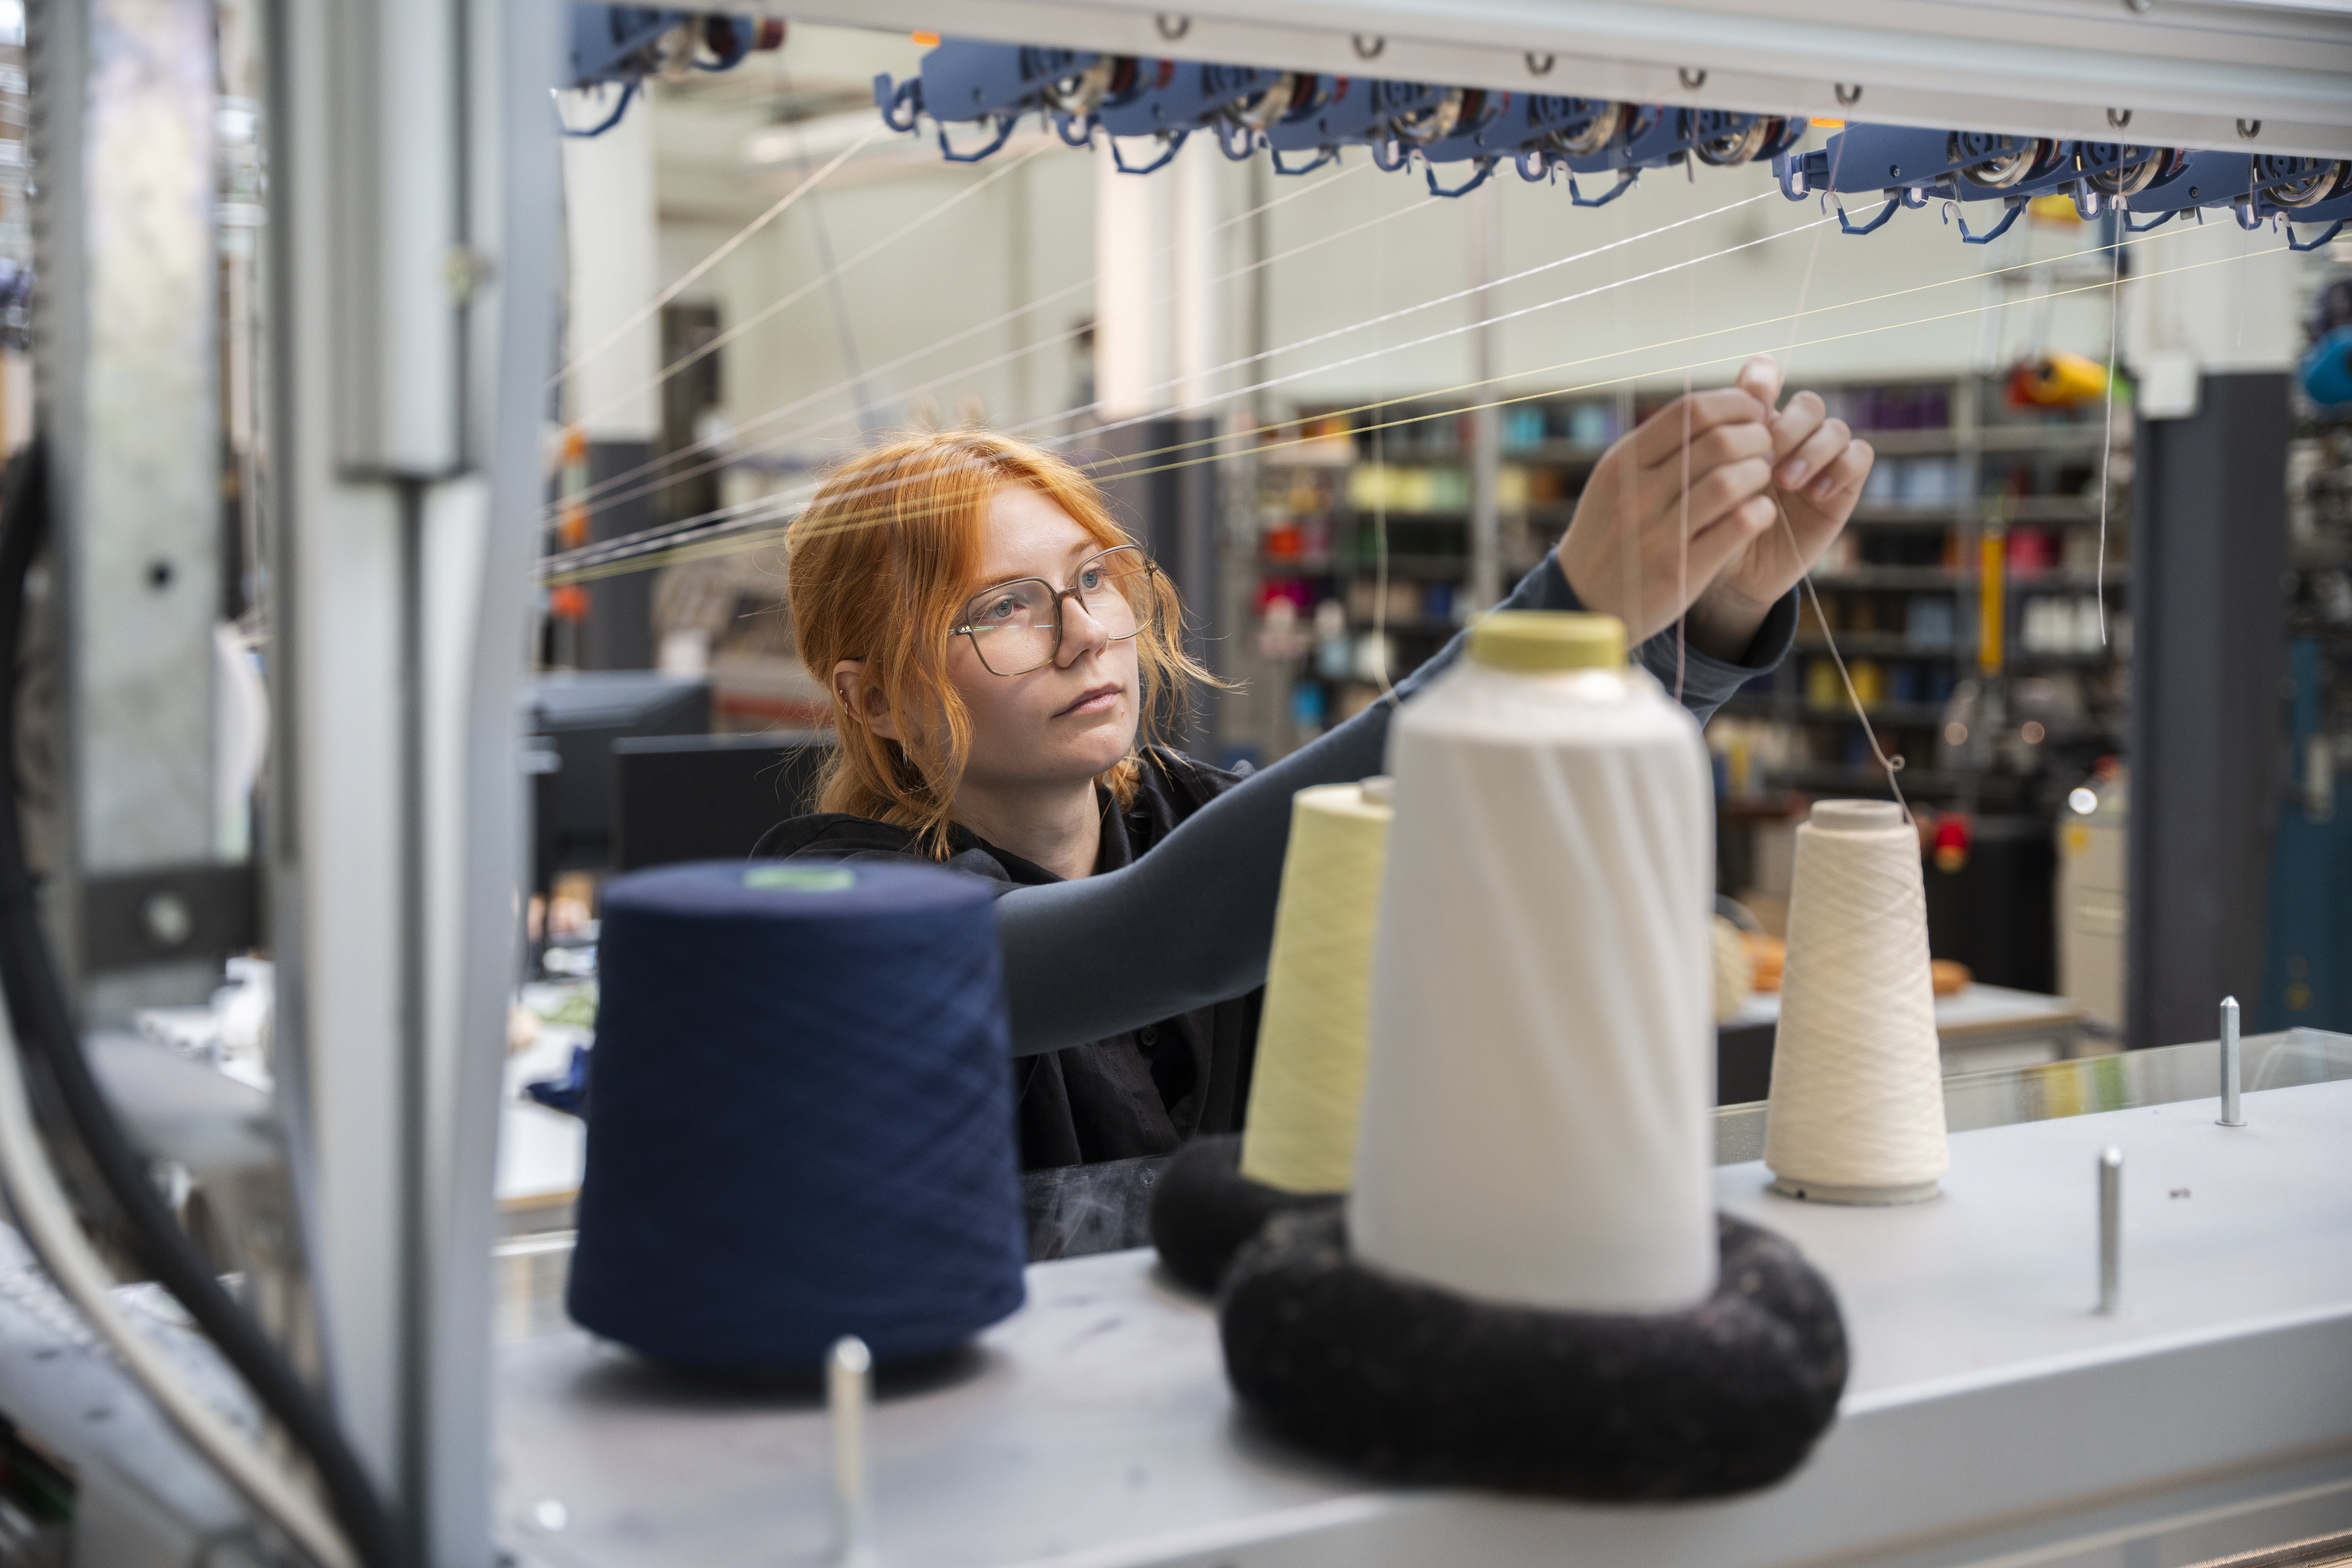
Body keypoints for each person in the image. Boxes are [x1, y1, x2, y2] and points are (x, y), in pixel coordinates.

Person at [756, 355, 1874, 1170]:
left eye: (1095, 577)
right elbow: (1166, 931)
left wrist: (1709, 627)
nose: (1086, 632)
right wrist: (1569, 608)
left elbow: (1487, 823)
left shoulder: (1199, 820)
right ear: (876, 701)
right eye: (1005, 607)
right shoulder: (841, 917)